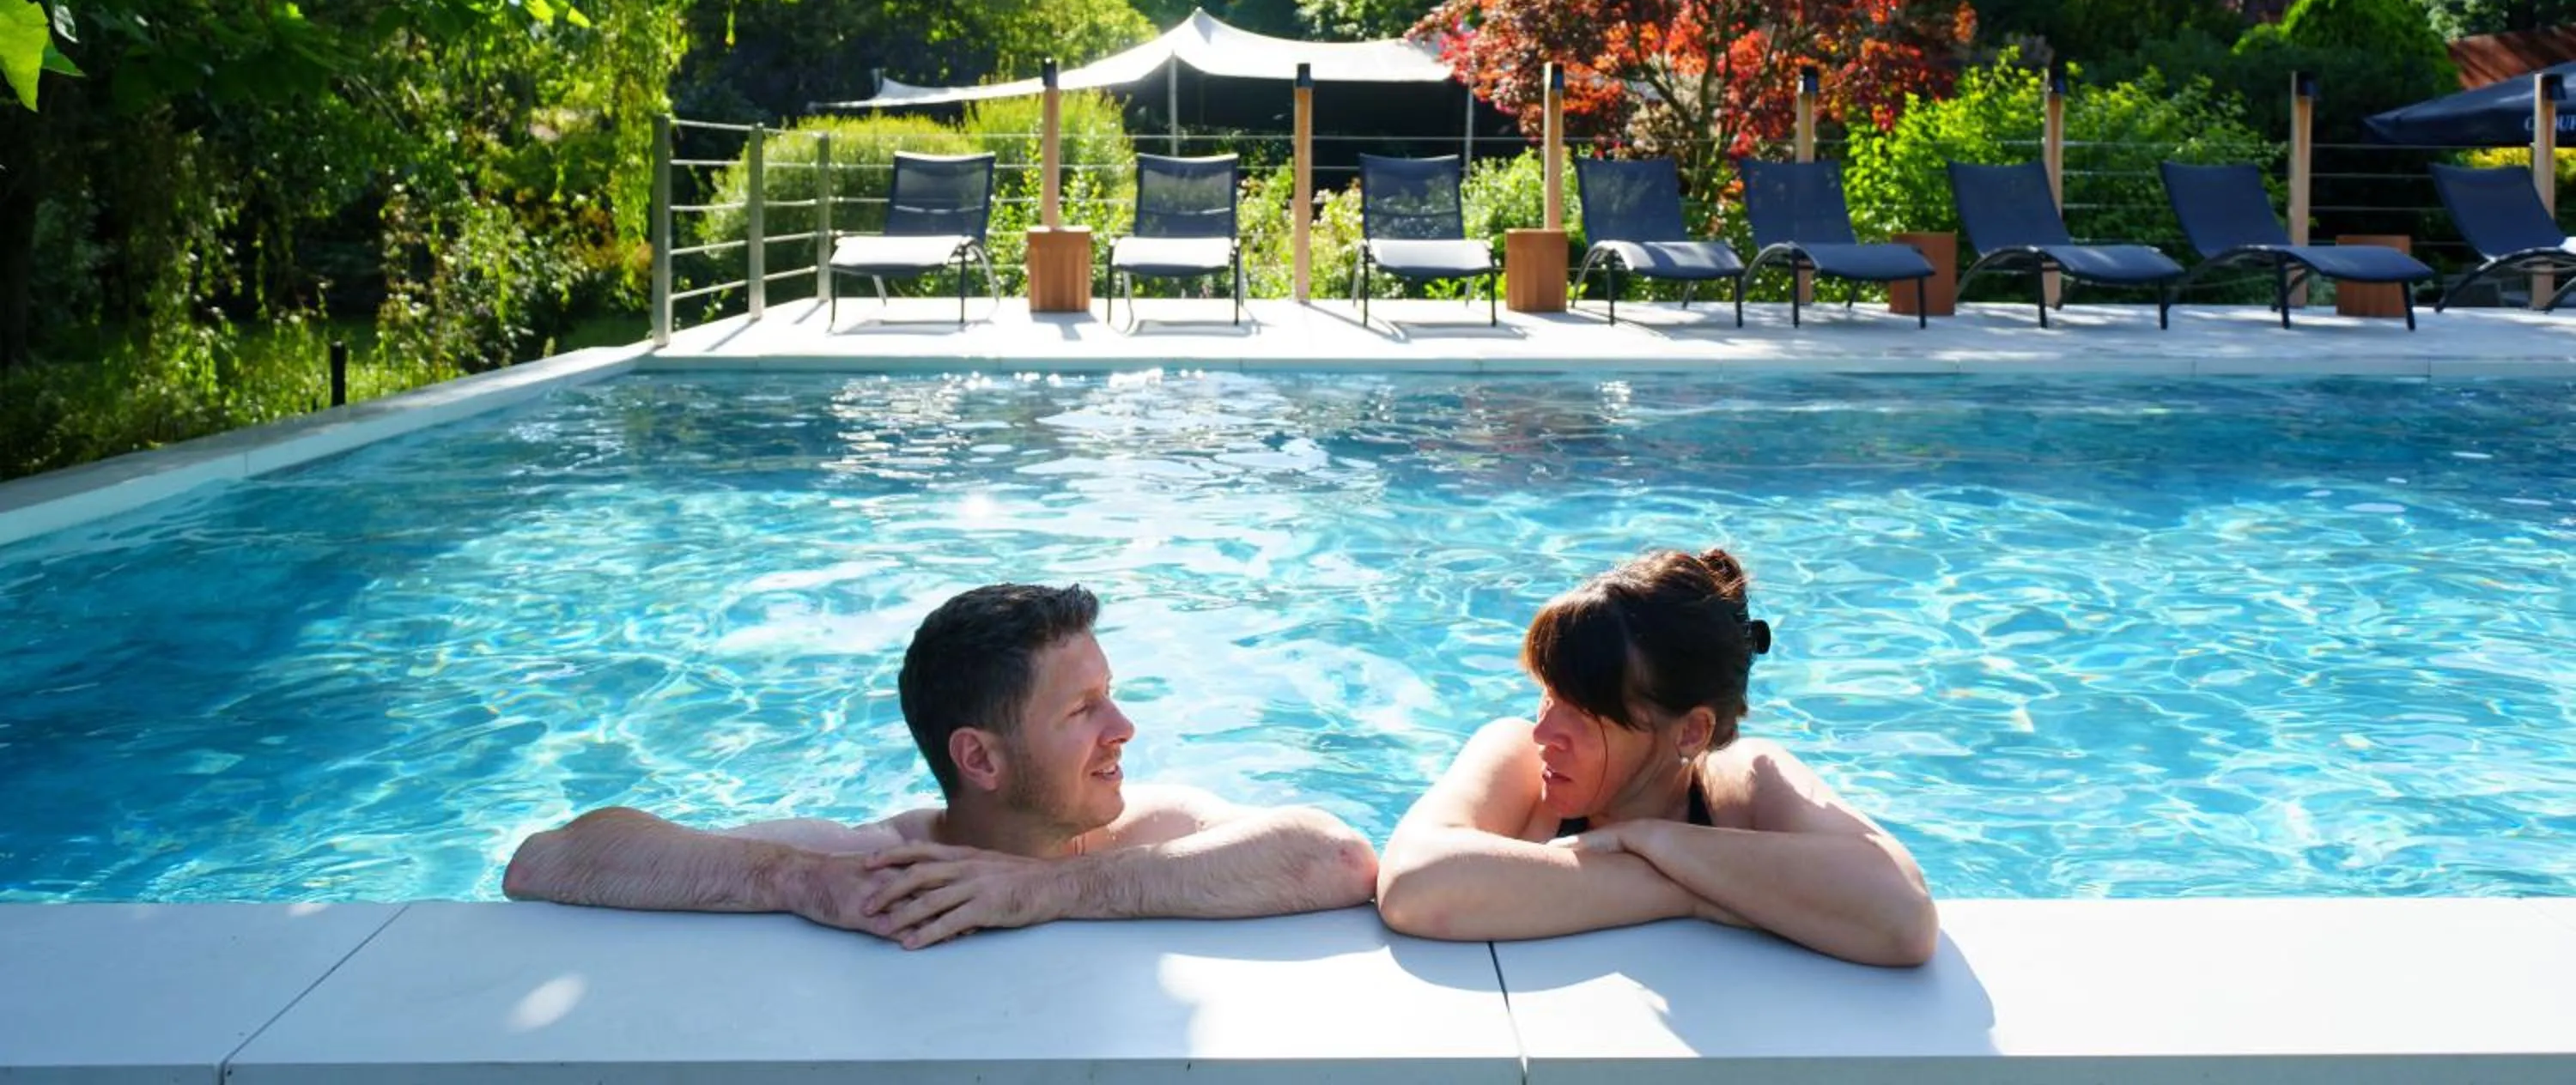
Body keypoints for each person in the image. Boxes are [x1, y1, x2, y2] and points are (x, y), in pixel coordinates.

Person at [505, 582, 1377, 949]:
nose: (1124, 725)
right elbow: (546, 858)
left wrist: (1041, 891)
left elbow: (1337, 856)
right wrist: (800, 884)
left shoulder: (1148, 831)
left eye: (1110, 694)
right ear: (979, 757)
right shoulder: (871, 862)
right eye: (1083, 709)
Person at [1374, 546, 1938, 967]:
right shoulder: (1518, 758)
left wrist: (1650, 839)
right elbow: (1413, 886)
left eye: (1583, 713)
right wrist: (1691, 892)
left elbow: (1903, 918)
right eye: (1547, 697)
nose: (1545, 733)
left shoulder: (1739, 786)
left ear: (1691, 732)